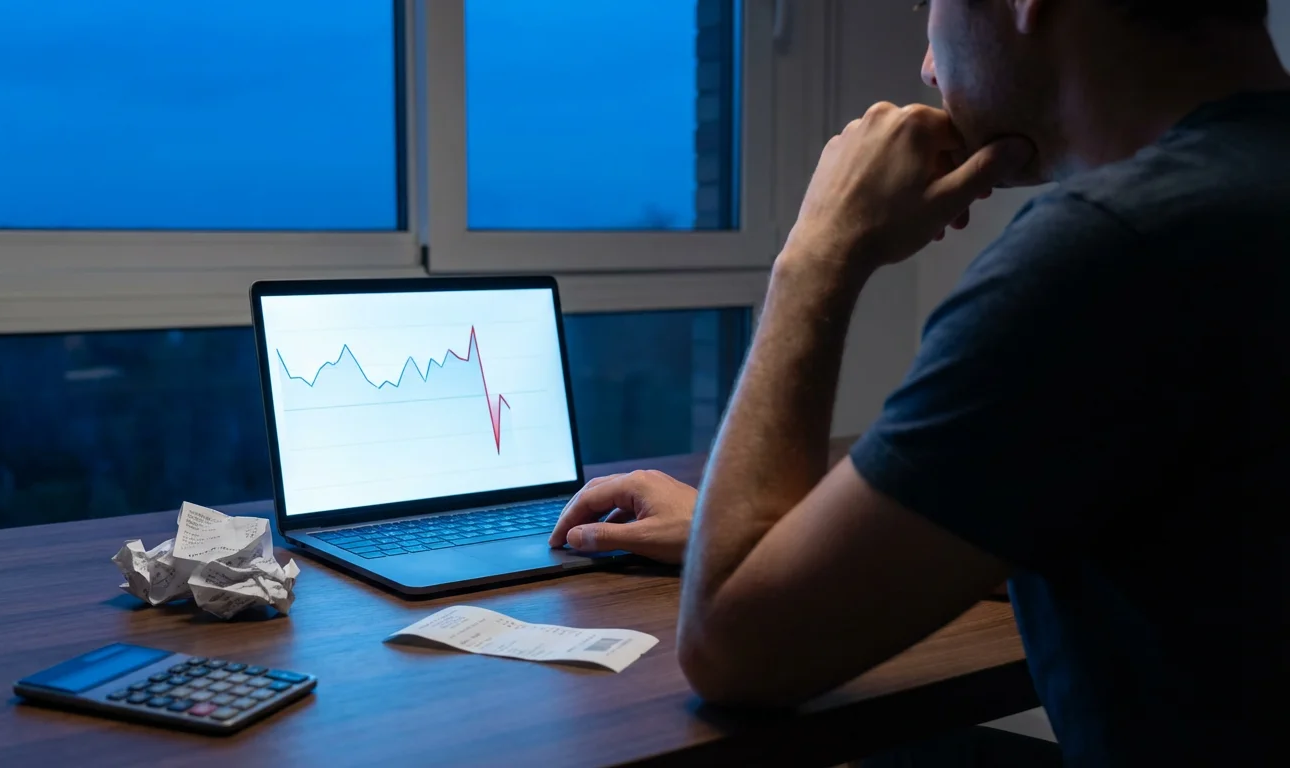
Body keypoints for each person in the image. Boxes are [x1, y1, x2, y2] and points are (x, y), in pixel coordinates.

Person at [549, 1, 1289, 765]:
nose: (928, 66)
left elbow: (733, 650)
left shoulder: (1113, 251)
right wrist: (783, 547)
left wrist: (817, 254)